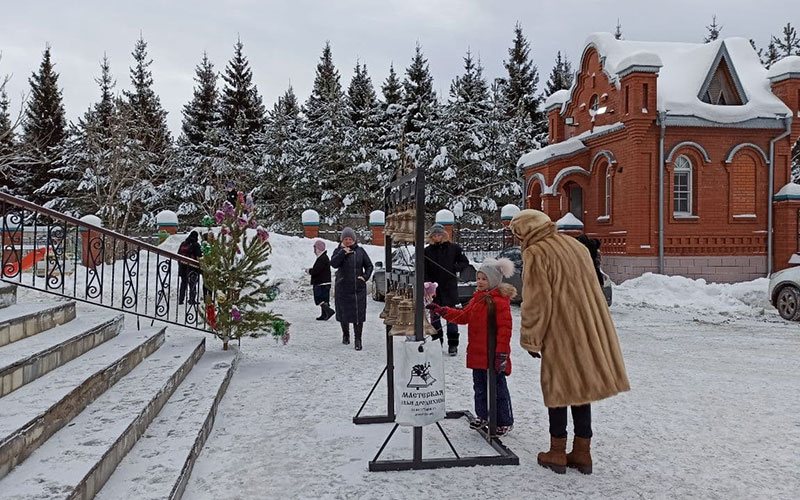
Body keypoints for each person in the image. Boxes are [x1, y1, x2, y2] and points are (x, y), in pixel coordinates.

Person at [510, 209, 630, 475]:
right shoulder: (574, 246)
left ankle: (556, 452)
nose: (518, 241)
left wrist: (531, 339)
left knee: (558, 389)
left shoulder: (537, 252)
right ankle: (582, 452)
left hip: (560, 328)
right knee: (580, 389)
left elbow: (537, 300)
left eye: (517, 235)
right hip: (588, 327)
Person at [427, 258, 517, 437]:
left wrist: (502, 354)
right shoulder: (478, 299)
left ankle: (504, 421)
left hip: (493, 355)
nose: (480, 282)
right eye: (479, 278)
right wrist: (442, 310)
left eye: (484, 279)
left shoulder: (499, 302)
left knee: (498, 390)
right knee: (480, 387)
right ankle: (483, 416)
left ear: (493, 281)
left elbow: (505, 330)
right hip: (477, 354)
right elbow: (463, 316)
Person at [423, 223, 469, 356]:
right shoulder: (427, 251)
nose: (437, 237)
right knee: (435, 317)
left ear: (444, 235)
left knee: (451, 317)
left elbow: (464, 262)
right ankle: (437, 343)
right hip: (434, 289)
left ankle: (453, 345)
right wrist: (427, 283)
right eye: (434, 235)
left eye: (439, 235)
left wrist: (455, 268)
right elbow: (423, 269)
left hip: (449, 288)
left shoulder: (453, 248)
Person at [330, 227, 373, 351]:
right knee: (344, 313)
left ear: (354, 239)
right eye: (345, 239)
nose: (348, 241)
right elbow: (333, 263)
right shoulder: (338, 250)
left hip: (357, 288)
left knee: (358, 315)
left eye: (350, 239)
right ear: (342, 240)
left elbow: (369, 265)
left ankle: (358, 339)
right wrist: (343, 252)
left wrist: (364, 277)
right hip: (343, 287)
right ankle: (346, 334)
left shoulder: (360, 251)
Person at [309, 240, 335, 321]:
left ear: (318, 248)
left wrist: (309, 271)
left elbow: (316, 271)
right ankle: (324, 315)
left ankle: (329, 311)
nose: (314, 250)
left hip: (321, 282)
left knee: (319, 299)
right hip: (325, 282)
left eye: (315, 247)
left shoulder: (322, 258)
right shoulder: (324, 257)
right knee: (324, 299)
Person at [177, 231, 203, 305]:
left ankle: (181, 300)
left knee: (183, 283)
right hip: (192, 267)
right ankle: (192, 300)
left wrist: (180, 264)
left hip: (182, 266)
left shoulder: (183, 243)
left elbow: (178, 254)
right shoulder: (195, 244)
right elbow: (199, 255)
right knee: (192, 284)